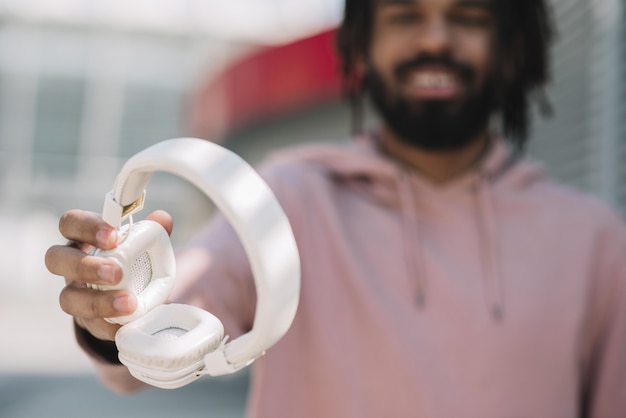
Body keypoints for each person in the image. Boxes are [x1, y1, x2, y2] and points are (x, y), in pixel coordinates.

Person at [45, 0, 626, 417]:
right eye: (405, 15)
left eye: (469, 17)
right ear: (362, 46)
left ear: (512, 47)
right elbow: (185, 300)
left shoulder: (595, 239)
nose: (436, 39)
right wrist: (117, 309)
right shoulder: (290, 195)